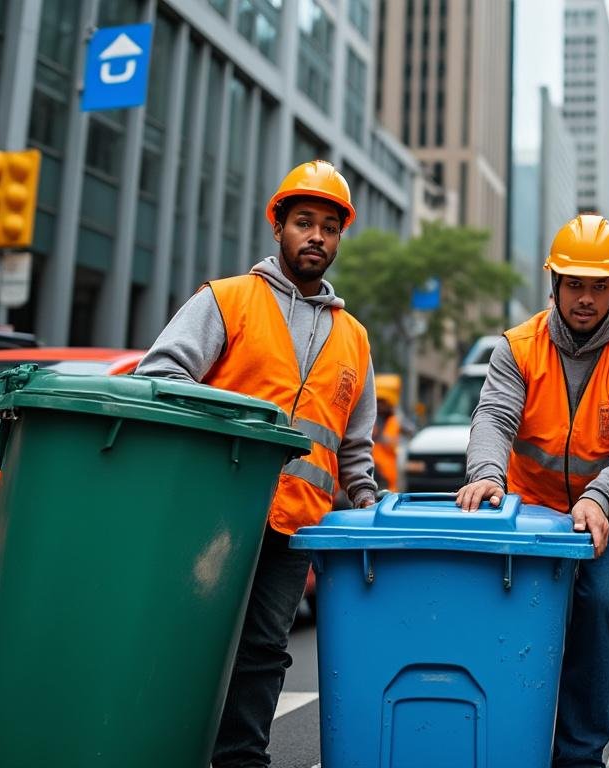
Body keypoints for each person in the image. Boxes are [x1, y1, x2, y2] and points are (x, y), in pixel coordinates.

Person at [137, 160, 378, 767]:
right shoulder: (228, 300)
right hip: (214, 510)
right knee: (189, 640)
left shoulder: (354, 337)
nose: (317, 236)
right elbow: (160, 376)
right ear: (278, 227)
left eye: (329, 226)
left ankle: (242, 761)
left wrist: (366, 499)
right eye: (304, 222)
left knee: (266, 651)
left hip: (294, 524)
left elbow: (354, 444)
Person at [453, 214, 609, 767]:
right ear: (554, 284)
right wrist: (486, 473)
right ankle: (513, 741)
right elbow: (494, 416)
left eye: (598, 286)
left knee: (598, 603)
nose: (585, 298)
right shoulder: (517, 347)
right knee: (523, 614)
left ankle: (578, 756)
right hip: (532, 505)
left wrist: (600, 497)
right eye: (574, 284)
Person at [372, 374, 401, 490]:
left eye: (382, 402)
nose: (379, 406)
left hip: (386, 474)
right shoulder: (373, 419)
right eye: (378, 402)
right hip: (374, 469)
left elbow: (390, 442)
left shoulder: (393, 421)